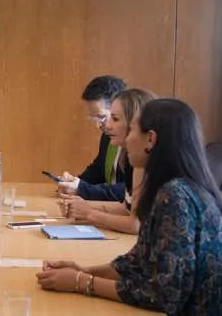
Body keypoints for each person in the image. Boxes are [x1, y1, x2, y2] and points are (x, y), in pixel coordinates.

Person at [37, 99, 222, 316]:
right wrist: (83, 270)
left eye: (133, 129)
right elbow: (139, 262)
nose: (126, 140)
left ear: (151, 139)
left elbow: (162, 295)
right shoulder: (171, 189)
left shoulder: (176, 198)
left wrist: (81, 283)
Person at [59, 88, 156, 234]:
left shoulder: (145, 164)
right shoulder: (132, 160)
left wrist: (89, 214)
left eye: (115, 119)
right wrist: (80, 205)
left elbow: (136, 225)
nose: (108, 126)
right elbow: (126, 208)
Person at [57, 75, 128, 202]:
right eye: (93, 118)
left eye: (101, 117)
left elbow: (129, 191)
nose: (98, 125)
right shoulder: (107, 136)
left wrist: (82, 189)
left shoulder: (137, 144)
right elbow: (99, 169)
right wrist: (74, 183)